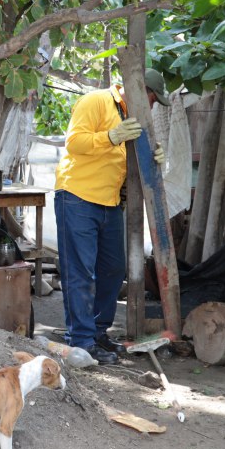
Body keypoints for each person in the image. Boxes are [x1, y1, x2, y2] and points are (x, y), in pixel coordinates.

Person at [53, 70, 169, 365]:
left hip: (109, 202)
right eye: (153, 100)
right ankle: (80, 340)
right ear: (140, 90)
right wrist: (110, 136)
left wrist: (153, 157)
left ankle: (97, 332)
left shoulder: (133, 118)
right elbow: (74, 142)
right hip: (77, 196)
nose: (152, 108)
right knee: (81, 272)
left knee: (114, 269)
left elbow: (131, 163)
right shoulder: (97, 100)